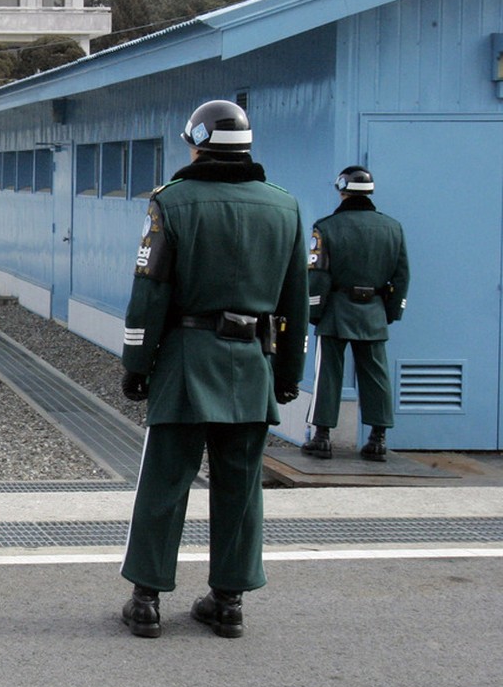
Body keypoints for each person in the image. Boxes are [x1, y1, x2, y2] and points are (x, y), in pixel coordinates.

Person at [117, 99, 308, 639]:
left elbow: (149, 292)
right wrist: (289, 372)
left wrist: (136, 362)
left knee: (165, 482)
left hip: (186, 360)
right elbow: (296, 300)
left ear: (195, 141)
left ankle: (147, 600)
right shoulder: (285, 207)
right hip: (252, 364)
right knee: (241, 487)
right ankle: (228, 601)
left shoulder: (171, 202)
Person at [302, 166, 410, 462]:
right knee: (376, 375)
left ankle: (322, 436)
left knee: (327, 374)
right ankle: (378, 438)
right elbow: (401, 277)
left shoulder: (326, 227)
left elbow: (319, 276)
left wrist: (314, 311)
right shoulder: (393, 228)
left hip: (336, 309)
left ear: (342, 189)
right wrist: (388, 312)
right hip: (373, 310)